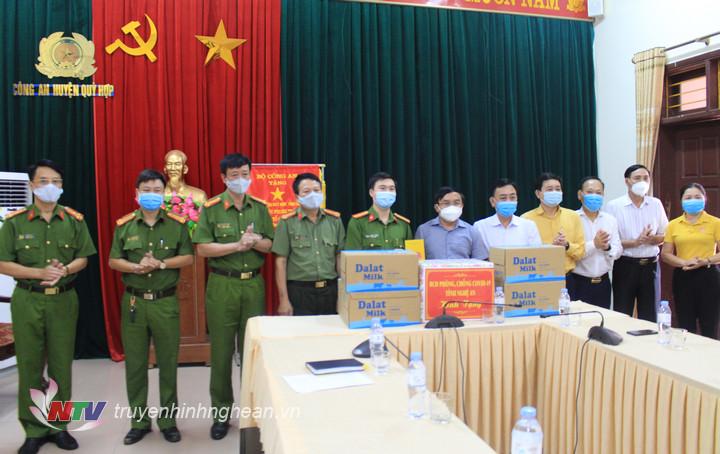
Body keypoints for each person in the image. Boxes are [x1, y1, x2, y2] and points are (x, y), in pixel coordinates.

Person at [0, 159, 96, 454]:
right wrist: (38, 272)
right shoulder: (15, 222)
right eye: (43, 181)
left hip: (63, 299)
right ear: (31, 185)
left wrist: (64, 270)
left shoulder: (74, 220)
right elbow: (3, 263)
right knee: (30, 365)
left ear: (62, 186)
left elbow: (83, 258)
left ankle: (58, 426)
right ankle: (33, 430)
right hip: (28, 299)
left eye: (56, 181)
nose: (50, 187)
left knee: (60, 366)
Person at [109, 169, 194, 445]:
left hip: (164, 302)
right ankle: (139, 422)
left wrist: (161, 264)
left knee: (168, 363)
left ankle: (168, 421)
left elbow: (188, 257)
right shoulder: (124, 226)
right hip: (134, 302)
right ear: (137, 194)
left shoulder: (177, 225)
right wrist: (135, 267)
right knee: (135, 365)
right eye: (146, 190)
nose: (152, 195)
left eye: (157, 190)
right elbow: (113, 260)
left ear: (164, 194)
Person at [193, 153, 273, 440]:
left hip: (253, 286)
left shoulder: (260, 208)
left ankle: (251, 413)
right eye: (234, 175)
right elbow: (202, 248)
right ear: (224, 178)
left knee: (252, 352)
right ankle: (221, 415)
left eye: (244, 174)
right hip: (222, 286)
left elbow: (270, 245)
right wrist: (236, 246)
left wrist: (255, 241)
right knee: (222, 353)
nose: (241, 179)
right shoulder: (212, 208)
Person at [272, 173, 345, 316]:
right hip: (300, 292)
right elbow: (280, 262)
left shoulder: (335, 221)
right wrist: (283, 300)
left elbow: (339, 258)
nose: (313, 195)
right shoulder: (287, 222)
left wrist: (342, 296)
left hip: (330, 290)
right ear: (297, 196)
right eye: (306, 191)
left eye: (316, 190)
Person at [606, 164, 668, 321]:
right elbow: (611, 242)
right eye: (637, 178)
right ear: (627, 181)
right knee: (622, 312)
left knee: (650, 315)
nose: (642, 182)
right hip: (625, 265)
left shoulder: (656, 204)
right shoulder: (614, 206)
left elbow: (666, 235)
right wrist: (635, 242)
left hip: (651, 266)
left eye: (646, 178)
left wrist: (652, 240)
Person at [661, 183, 720, 339]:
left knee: (709, 323)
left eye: (697, 197)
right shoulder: (673, 225)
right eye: (688, 197)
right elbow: (665, 254)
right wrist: (684, 262)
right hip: (683, 276)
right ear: (681, 200)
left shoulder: (715, 223)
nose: (692, 200)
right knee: (685, 324)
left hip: (709, 276)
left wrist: (705, 260)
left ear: (705, 199)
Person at [566, 177, 622, 308]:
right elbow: (570, 251)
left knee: (603, 319)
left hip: (603, 283)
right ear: (580, 195)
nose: (594, 196)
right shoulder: (571, 218)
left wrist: (607, 247)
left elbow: (618, 250)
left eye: (598, 193)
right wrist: (594, 244)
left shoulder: (610, 220)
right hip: (578, 282)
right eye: (590, 192)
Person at [521, 172, 585, 276]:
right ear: (538, 193)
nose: (554, 192)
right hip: (538, 276)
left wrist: (566, 245)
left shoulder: (573, 216)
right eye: (549, 189)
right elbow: (523, 254)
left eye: (558, 189)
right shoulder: (526, 219)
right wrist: (551, 248)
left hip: (568, 277)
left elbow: (581, 252)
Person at [473, 178, 542, 256]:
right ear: (492, 201)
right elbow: (478, 258)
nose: (508, 201)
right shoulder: (480, 227)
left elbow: (537, 255)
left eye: (512, 197)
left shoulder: (529, 226)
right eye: (503, 198)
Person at [345, 171, 412, 250]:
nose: (388, 192)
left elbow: (411, 255)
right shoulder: (358, 223)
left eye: (391, 189)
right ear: (371, 192)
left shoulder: (403, 225)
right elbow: (352, 256)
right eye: (382, 188)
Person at [415, 186, 484, 259]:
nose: (452, 207)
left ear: (462, 206)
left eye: (456, 203)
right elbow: (416, 260)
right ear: (437, 207)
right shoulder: (423, 230)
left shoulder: (472, 231)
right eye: (446, 203)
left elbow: (481, 260)